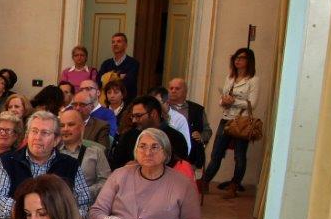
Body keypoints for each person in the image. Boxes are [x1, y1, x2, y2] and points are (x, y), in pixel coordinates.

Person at [0, 110, 91, 219]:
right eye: (34, 131)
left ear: (56, 140)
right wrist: (28, 215)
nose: (38, 137)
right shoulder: (8, 161)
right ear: (27, 136)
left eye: (45, 133)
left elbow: (84, 202)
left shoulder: (71, 165)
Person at [203, 47, 260, 197]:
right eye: (236, 57)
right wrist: (224, 100)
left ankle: (234, 186)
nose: (238, 60)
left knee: (239, 155)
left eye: (241, 58)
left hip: (242, 121)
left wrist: (233, 101)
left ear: (249, 61)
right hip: (226, 118)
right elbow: (222, 99)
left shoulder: (253, 80)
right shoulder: (230, 77)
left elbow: (252, 104)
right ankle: (205, 182)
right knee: (216, 153)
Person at [108, 95, 190, 171]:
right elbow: (115, 164)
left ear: (153, 114)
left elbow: (180, 168)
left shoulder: (176, 138)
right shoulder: (129, 135)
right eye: (133, 116)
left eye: (138, 116)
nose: (134, 120)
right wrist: (127, 166)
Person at [59, 106, 112, 201]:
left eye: (71, 125)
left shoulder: (96, 152)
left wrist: (84, 192)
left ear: (82, 127)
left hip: (86, 205)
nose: (65, 129)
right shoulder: (52, 153)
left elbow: (106, 181)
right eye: (62, 125)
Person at [167, 77, 212, 168]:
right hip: (166, 153)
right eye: (171, 88)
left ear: (185, 91)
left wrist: (201, 136)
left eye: (177, 88)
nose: (173, 91)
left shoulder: (197, 110)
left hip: (189, 156)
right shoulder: (162, 108)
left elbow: (207, 131)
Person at [72, 84, 112, 148]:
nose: (77, 108)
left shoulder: (101, 126)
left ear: (91, 107)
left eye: (82, 105)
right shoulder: (64, 124)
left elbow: (101, 152)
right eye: (75, 104)